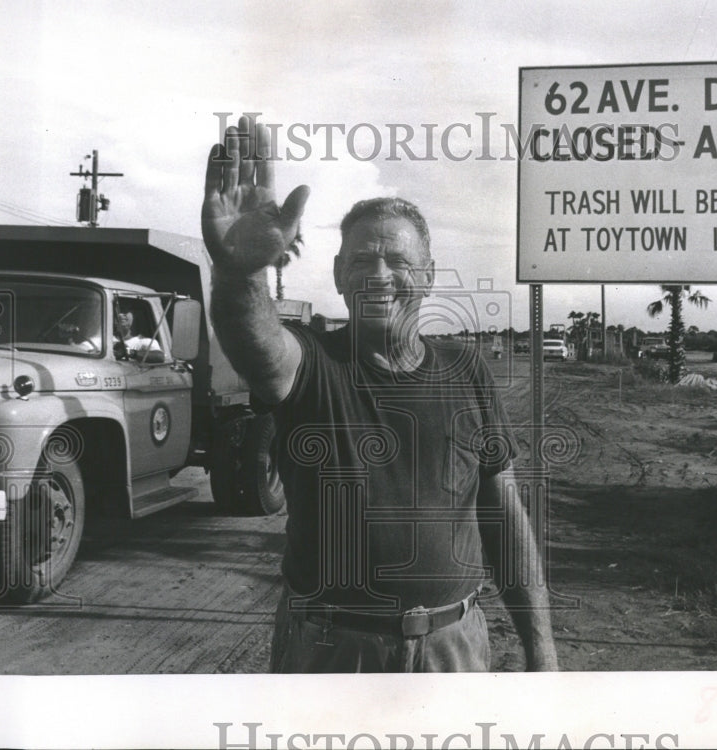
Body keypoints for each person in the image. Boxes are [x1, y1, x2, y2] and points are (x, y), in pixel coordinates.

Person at [203, 116, 558, 673]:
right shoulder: (313, 364)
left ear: (430, 275)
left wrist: (543, 650)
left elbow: (504, 516)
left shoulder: (465, 369)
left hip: (453, 649)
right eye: (362, 260)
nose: (380, 275)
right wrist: (238, 271)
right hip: (330, 651)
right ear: (340, 274)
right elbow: (257, 346)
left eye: (398, 261)